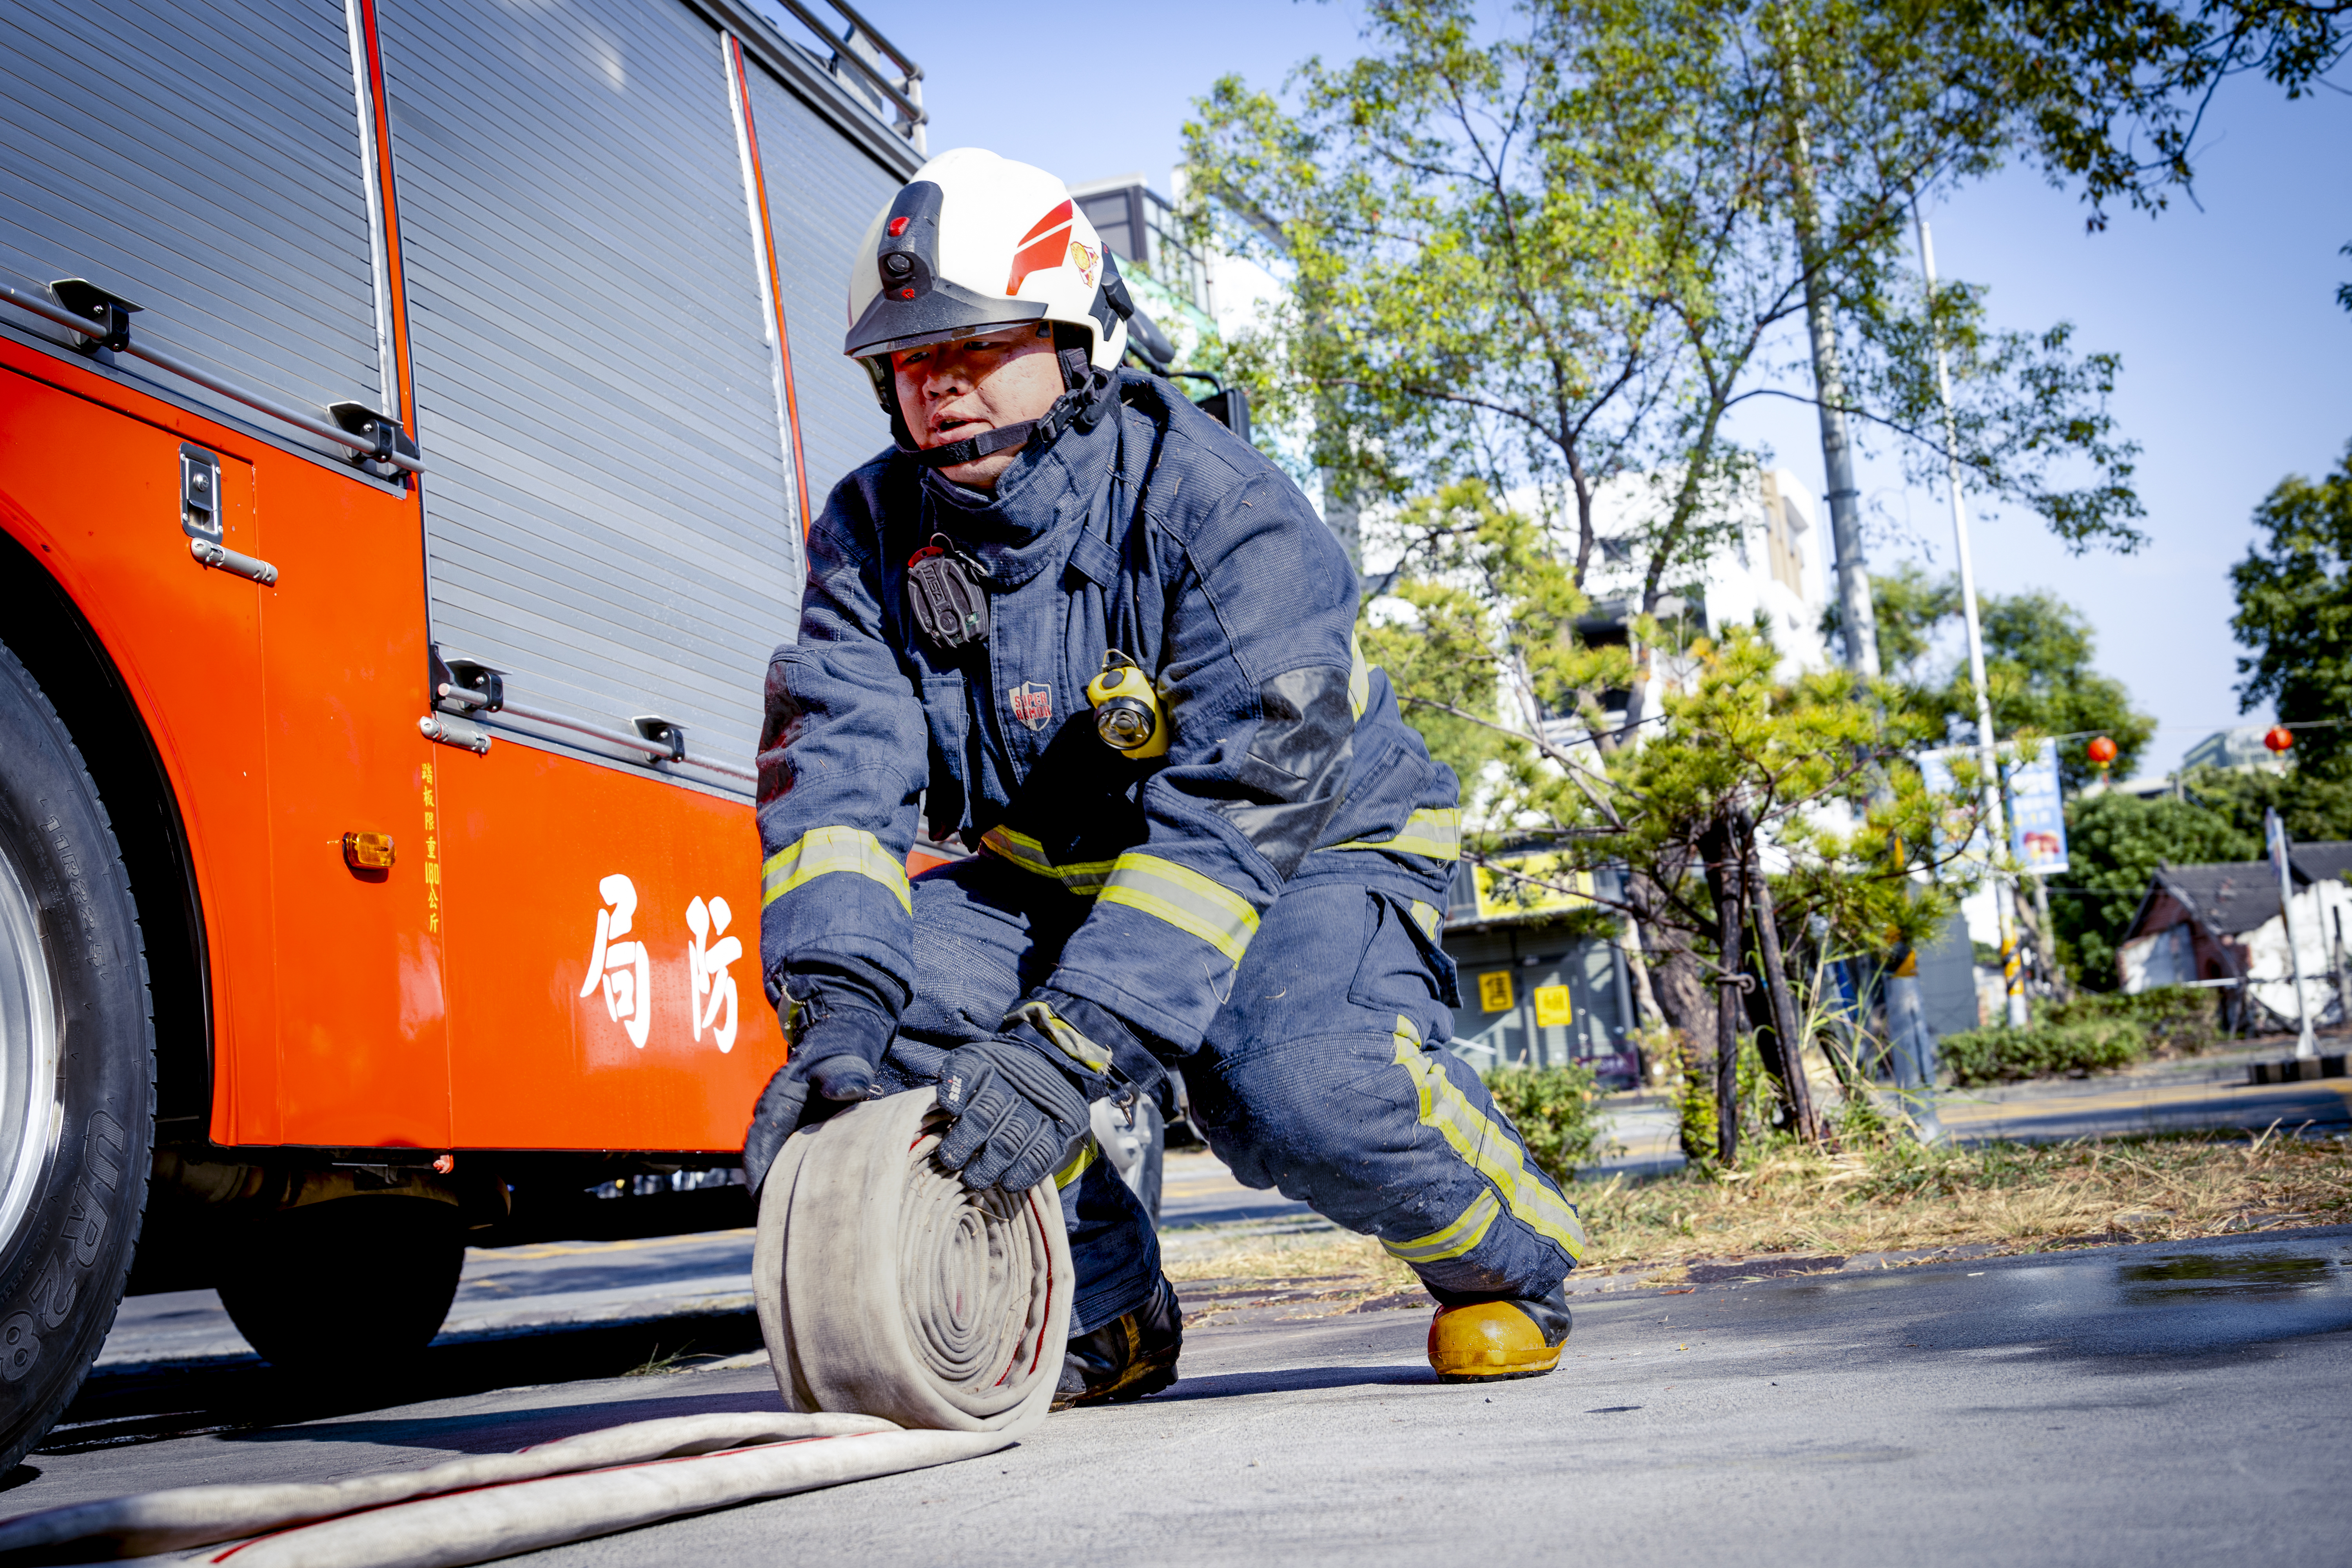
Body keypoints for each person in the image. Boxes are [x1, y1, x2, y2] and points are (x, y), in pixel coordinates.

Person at [742, 148, 1586, 1405]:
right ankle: (1113, 1317)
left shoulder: (1221, 505)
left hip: (1305, 851)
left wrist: (1071, 1044)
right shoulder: (872, 535)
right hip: (1055, 872)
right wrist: (837, 1013)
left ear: (1077, 342)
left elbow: (1240, 813)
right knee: (913, 1027)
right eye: (912, 364)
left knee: (1289, 1079)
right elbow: (838, 779)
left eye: (974, 350)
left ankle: (1513, 1263)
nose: (941, 392)